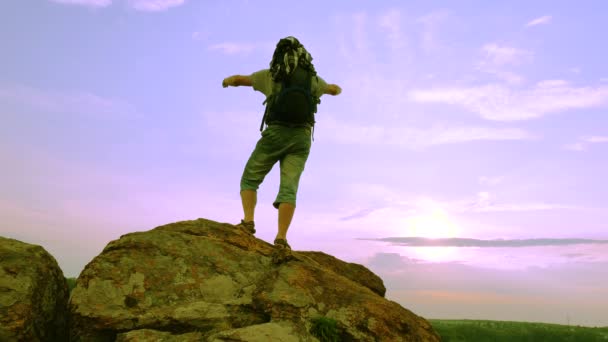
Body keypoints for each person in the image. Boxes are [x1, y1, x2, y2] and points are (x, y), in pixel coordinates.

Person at [221, 36, 342, 250]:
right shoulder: (313, 79)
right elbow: (333, 90)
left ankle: (248, 222)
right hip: (302, 138)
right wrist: (334, 88)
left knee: (250, 177)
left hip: (275, 133)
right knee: (289, 187)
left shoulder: (271, 75)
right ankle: (281, 238)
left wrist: (227, 81)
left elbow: (241, 79)